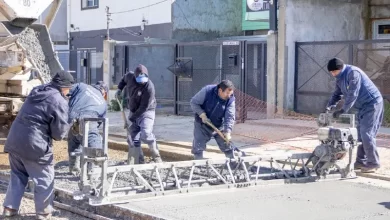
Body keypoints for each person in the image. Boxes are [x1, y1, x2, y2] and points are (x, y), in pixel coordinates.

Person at [2, 71, 74, 219]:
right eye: (69, 89)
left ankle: (9, 210)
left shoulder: (37, 90)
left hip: (15, 140)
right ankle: (43, 213)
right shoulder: (59, 101)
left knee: (17, 176)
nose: (69, 92)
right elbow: (58, 134)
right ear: (64, 87)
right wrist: (70, 122)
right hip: (34, 144)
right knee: (44, 178)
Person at [326, 57, 384, 173]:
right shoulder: (339, 78)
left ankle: (373, 163)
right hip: (361, 107)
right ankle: (360, 161)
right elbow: (337, 94)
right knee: (358, 135)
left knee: (367, 134)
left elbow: (353, 94)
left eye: (334, 72)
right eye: (331, 72)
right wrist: (329, 107)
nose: (332, 74)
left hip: (372, 104)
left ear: (340, 68)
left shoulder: (353, 73)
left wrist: (343, 110)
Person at [116, 64, 162, 164]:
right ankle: (138, 159)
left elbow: (143, 107)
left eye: (143, 80)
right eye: (139, 80)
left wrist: (132, 119)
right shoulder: (129, 76)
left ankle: (156, 155)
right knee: (132, 137)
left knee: (145, 133)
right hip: (133, 110)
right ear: (135, 76)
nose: (141, 82)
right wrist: (119, 89)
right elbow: (123, 80)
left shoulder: (149, 87)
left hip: (146, 111)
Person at [67, 81, 109, 175]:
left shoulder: (82, 86)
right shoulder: (103, 103)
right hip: (88, 120)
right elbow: (99, 122)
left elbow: (65, 90)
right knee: (94, 145)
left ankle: (74, 168)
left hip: (72, 119)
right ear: (104, 92)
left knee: (74, 143)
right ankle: (92, 171)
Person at [190, 80, 236, 160]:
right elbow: (194, 102)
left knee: (227, 145)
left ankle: (232, 163)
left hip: (218, 125)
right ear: (220, 90)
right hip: (202, 124)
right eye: (227, 93)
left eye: (230, 94)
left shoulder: (230, 100)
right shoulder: (207, 91)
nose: (229, 96)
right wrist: (202, 114)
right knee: (198, 146)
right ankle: (198, 164)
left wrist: (227, 131)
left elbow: (230, 116)